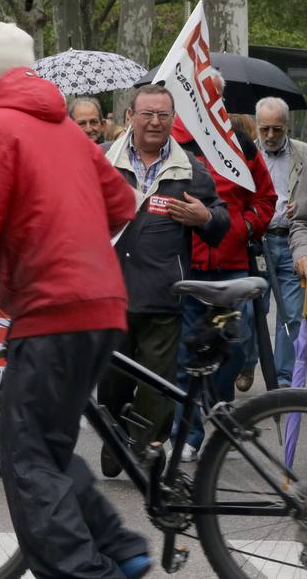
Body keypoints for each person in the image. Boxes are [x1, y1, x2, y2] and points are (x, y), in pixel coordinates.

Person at [0, 22, 149, 579]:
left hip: (50, 308)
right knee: (48, 447)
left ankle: (87, 572)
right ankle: (121, 547)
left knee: (26, 458)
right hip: (103, 303)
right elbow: (122, 203)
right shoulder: (68, 129)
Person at [97, 85, 228, 478]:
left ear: (173, 119)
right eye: (147, 114)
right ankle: (114, 437)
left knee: (157, 384)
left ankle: (144, 452)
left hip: (163, 296)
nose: (155, 122)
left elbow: (220, 221)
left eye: (163, 115)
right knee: (112, 380)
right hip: (110, 293)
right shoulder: (102, 160)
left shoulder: (191, 169)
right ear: (130, 117)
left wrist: (206, 218)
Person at [169, 73, 276, 461]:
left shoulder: (240, 144)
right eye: (202, 95)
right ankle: (189, 434)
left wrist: (243, 227)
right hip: (188, 266)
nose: (209, 102)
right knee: (186, 354)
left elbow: (265, 199)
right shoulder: (173, 143)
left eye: (215, 96)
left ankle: (219, 405)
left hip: (232, 266)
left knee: (235, 348)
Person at [249, 96, 306, 387]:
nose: (270, 135)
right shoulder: (245, 155)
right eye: (265, 129)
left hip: (291, 241)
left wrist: (303, 205)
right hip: (257, 244)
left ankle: (283, 379)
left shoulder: (303, 154)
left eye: (277, 129)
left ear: (287, 126)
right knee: (252, 310)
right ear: (257, 125)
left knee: (291, 314)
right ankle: (247, 363)